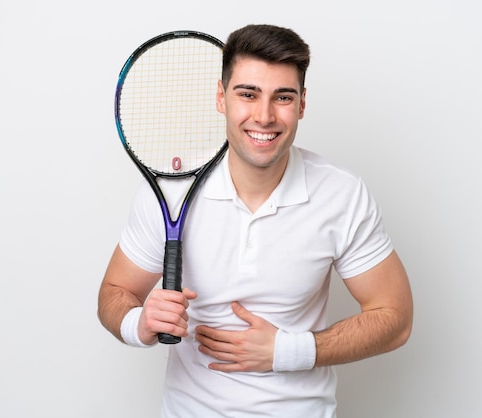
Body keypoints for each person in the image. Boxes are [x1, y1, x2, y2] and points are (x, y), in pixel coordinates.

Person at [98, 24, 413, 417]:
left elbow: (395, 319)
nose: (264, 116)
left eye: (282, 97)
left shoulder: (341, 194)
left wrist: (289, 351)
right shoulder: (170, 192)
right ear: (221, 97)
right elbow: (114, 292)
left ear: (301, 104)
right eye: (248, 94)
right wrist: (137, 322)